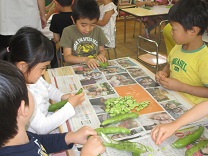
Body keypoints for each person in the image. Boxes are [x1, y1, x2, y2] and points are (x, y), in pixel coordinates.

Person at [0, 60, 105, 156]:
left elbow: (39, 142)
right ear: (23, 108)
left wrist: (70, 137)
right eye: (28, 89)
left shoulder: (18, 135)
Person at [0, 26, 85, 134]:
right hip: (40, 138)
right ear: (23, 66)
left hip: (50, 119)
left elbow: (48, 88)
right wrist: (70, 107)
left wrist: (62, 96)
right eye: (42, 68)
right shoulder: (21, 94)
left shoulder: (31, 77)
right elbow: (42, 127)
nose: (43, 72)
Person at [155, 0, 208, 105]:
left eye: (174, 29)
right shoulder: (177, 47)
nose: (171, 32)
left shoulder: (204, 58)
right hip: (174, 98)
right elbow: (170, 65)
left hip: (192, 108)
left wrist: (181, 87)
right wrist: (164, 73)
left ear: (192, 31)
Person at [60, 0, 109, 69]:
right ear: (73, 20)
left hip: (93, 67)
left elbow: (102, 50)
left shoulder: (98, 30)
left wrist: (101, 55)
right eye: (83, 25)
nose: (88, 29)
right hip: (75, 68)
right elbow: (67, 57)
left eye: (93, 24)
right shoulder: (68, 31)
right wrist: (85, 60)